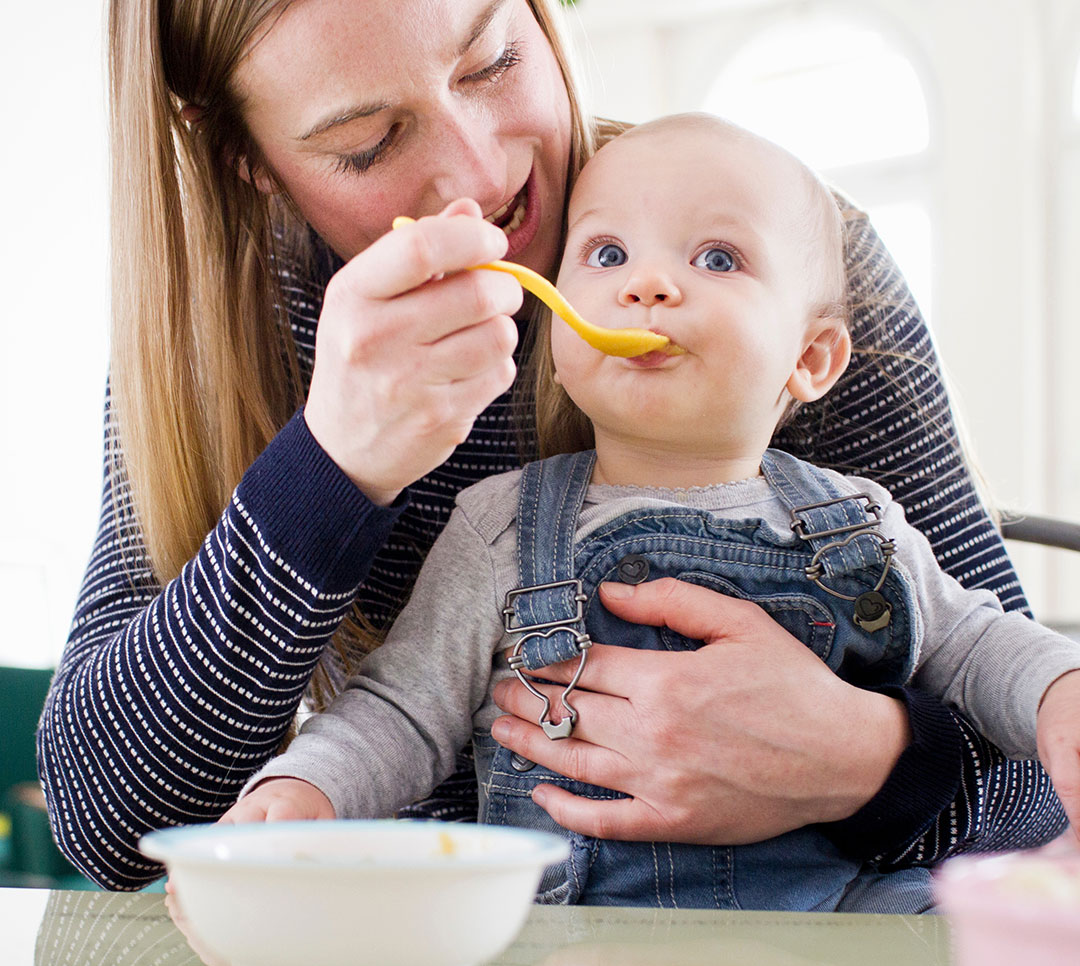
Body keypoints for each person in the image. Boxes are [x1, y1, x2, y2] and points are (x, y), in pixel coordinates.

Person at [37, 0, 1065, 894]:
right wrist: (330, 471)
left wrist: (870, 762)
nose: (478, 174)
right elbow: (106, 822)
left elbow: (1036, 788)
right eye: (366, 142)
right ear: (246, 158)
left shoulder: (784, 266)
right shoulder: (226, 338)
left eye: (492, 61)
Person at [223, 114, 1080, 912]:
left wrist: (1058, 692)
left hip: (845, 935)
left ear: (812, 357)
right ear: (553, 338)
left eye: (716, 259)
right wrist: (303, 793)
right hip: (571, 957)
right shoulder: (498, 527)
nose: (648, 286)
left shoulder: (864, 522)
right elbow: (403, 713)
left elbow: (977, 645)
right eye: (605, 255)